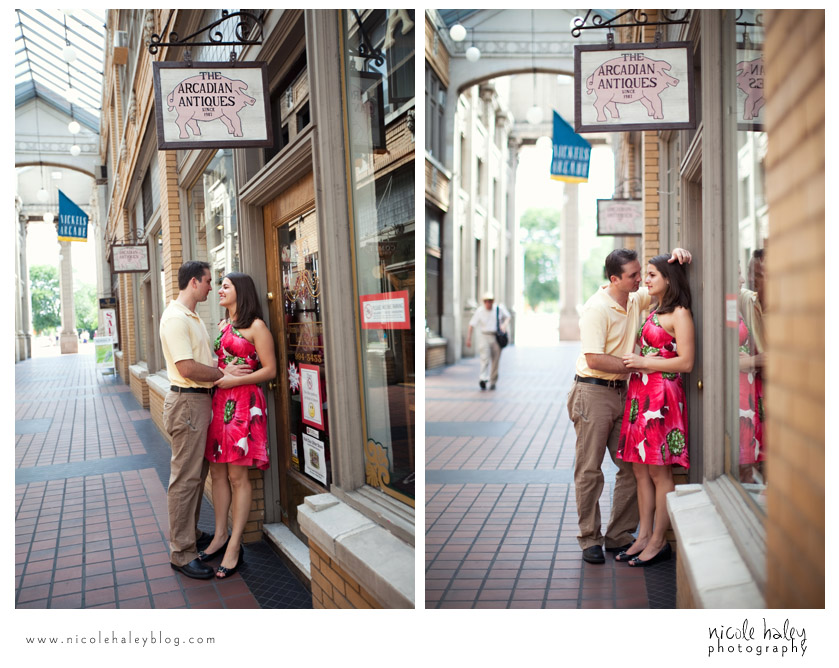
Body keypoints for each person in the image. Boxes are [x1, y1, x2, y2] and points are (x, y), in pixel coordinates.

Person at [568, 247, 690, 565]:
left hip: (630, 393)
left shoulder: (636, 298)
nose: (639, 279)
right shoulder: (597, 309)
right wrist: (640, 365)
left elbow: (664, 279)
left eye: (641, 273)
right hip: (593, 393)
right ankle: (589, 539)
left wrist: (677, 252)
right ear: (614, 279)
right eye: (633, 275)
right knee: (590, 470)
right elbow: (594, 358)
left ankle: (619, 534)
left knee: (631, 467)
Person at [159, 261, 252, 579]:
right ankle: (181, 554)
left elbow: (201, 360)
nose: (213, 287)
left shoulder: (192, 317)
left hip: (198, 403)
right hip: (187, 402)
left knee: (195, 477)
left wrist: (225, 367)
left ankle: (188, 534)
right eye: (209, 281)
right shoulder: (175, 318)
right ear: (194, 283)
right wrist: (223, 373)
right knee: (185, 479)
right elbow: (187, 368)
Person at [615, 254, 695, 567]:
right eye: (645, 275)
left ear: (668, 278)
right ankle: (644, 535)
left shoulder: (680, 313)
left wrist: (645, 362)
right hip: (641, 395)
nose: (646, 281)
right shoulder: (653, 309)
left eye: (651, 275)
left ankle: (660, 540)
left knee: (660, 470)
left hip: (662, 397)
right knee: (640, 468)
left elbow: (686, 362)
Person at [198, 272, 275, 578]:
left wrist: (233, 380)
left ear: (240, 291)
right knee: (217, 473)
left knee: (237, 476)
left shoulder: (257, 327)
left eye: (226, 286)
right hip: (219, 404)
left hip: (244, 405)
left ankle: (235, 545)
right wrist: (221, 374)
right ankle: (219, 536)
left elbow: (270, 370)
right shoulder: (222, 326)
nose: (219, 290)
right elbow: (215, 363)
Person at [466, 292, 510, 390]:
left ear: (492, 302)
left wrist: (504, 325)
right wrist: (469, 338)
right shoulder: (480, 311)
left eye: (490, 301)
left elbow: (508, 317)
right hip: (484, 336)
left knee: (495, 361)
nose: (488, 303)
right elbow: (471, 324)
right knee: (484, 358)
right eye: (486, 301)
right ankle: (483, 378)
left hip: (496, 337)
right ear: (484, 302)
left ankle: (493, 381)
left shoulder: (498, 309)